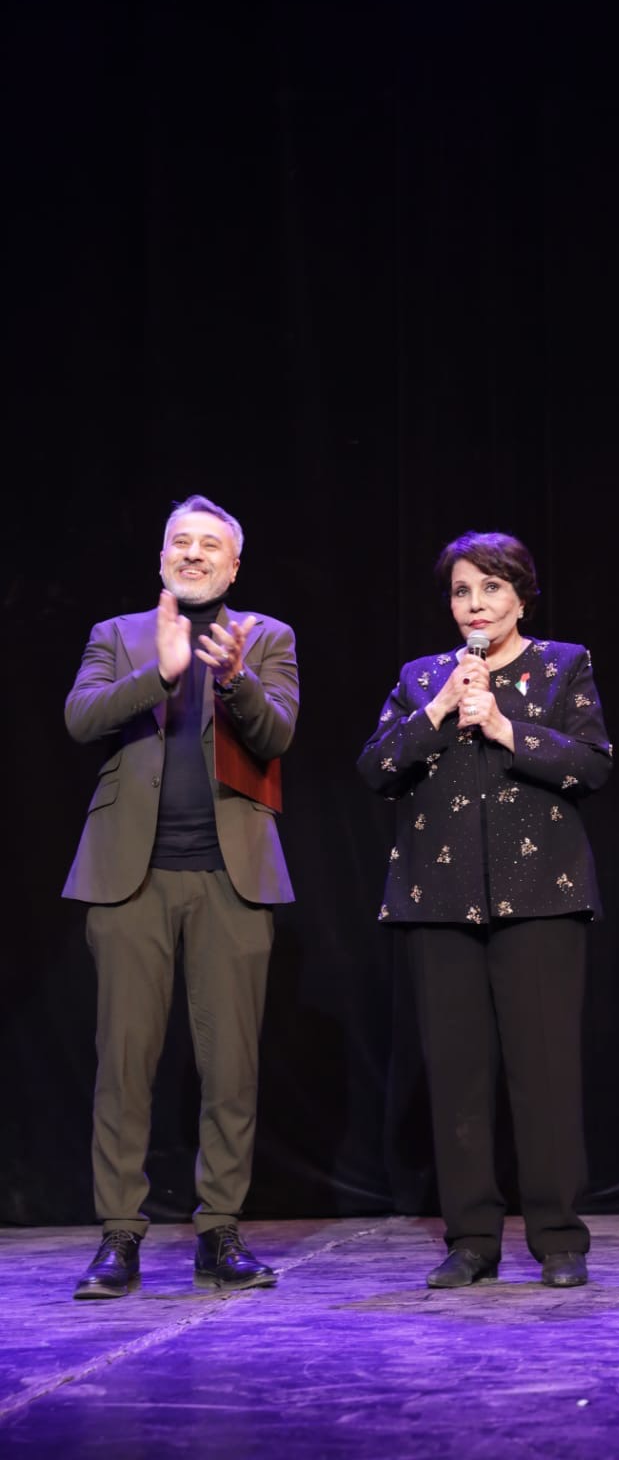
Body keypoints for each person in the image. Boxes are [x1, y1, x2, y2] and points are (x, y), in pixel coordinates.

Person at [358, 530, 612, 1288]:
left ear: (521, 597)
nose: (476, 604)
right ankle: (471, 1239)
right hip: (437, 902)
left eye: (492, 588)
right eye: (463, 591)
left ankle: (558, 1239)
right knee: (457, 1075)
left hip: (541, 897)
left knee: (544, 1074)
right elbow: (375, 767)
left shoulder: (563, 664)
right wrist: (439, 709)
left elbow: (593, 764)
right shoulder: (422, 677)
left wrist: (506, 728)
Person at [63, 494, 299, 1300]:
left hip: (232, 877)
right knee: (124, 1064)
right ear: (162, 556)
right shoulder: (116, 635)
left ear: (233, 567)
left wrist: (234, 681)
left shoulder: (266, 637)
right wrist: (157, 674)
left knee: (231, 1066)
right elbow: (81, 718)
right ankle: (118, 1235)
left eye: (209, 545)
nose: (193, 553)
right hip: (129, 876)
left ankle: (219, 1230)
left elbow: (277, 734)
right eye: (180, 542)